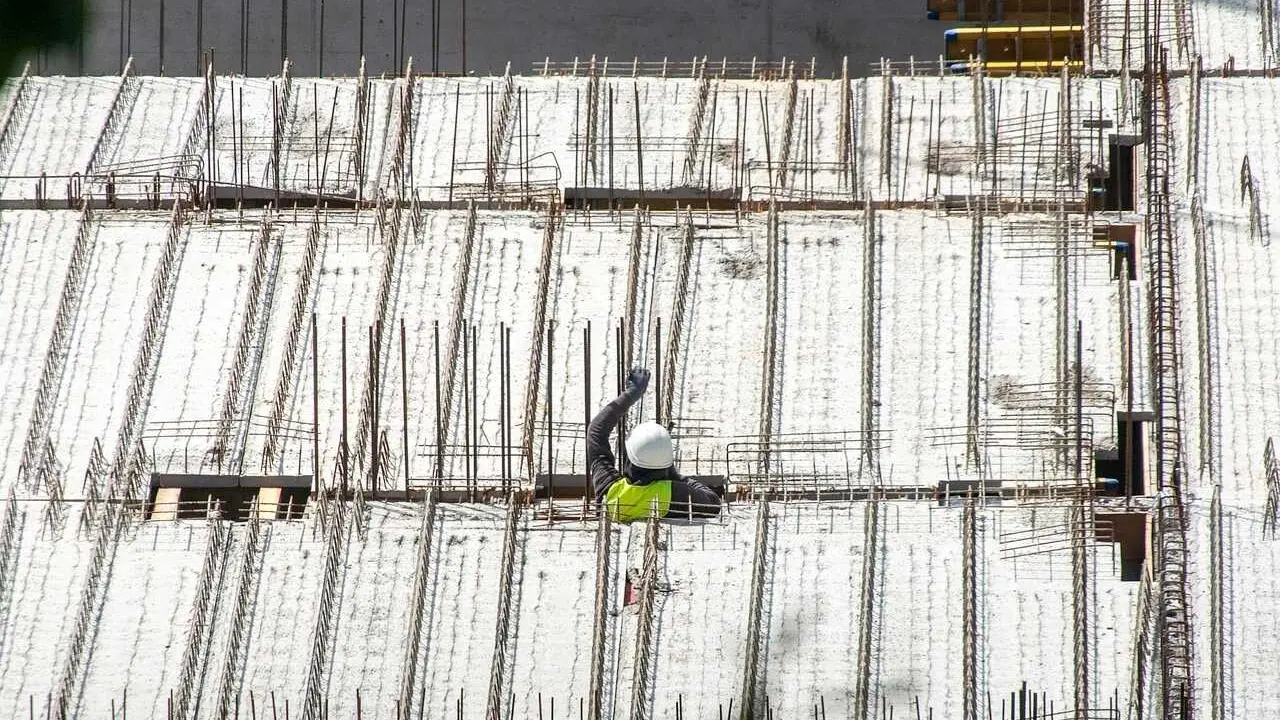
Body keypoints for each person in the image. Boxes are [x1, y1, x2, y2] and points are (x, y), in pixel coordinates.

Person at [588, 367, 722, 522]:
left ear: (630, 458)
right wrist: (674, 474)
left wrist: (631, 394)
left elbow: (596, 432)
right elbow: (713, 502)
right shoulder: (673, 493)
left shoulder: (610, 492)